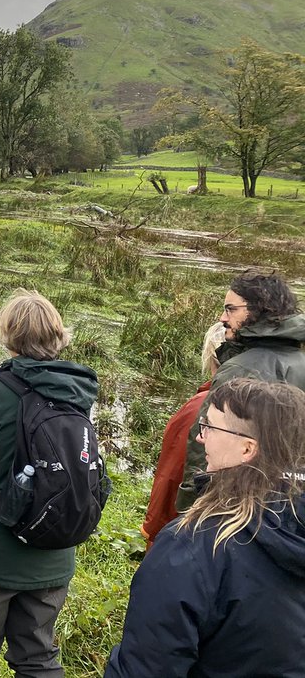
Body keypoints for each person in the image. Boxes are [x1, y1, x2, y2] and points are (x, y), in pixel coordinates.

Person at [0, 289, 99, 678]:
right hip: (55, 548)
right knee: (38, 656)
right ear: (59, 335)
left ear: (8, 336)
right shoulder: (78, 392)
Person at [104, 378, 305, 678]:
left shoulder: (194, 547)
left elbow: (146, 668)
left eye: (210, 427)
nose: (201, 437)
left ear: (247, 449)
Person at [177, 270, 305, 510]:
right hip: (290, 506)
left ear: (259, 309)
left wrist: (189, 509)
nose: (222, 318)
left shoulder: (240, 370)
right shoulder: (301, 361)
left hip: (236, 503)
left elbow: (205, 443)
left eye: (230, 309)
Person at [140, 322, 224, 547]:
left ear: (210, 356)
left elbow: (170, 475)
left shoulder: (201, 407)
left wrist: (153, 531)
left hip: (192, 532)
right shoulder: (269, 403)